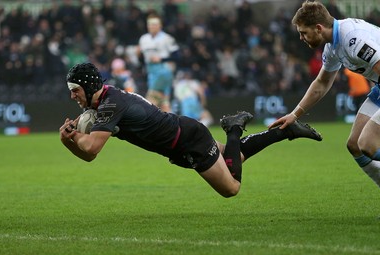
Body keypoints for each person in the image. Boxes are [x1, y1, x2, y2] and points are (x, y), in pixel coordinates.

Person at [60, 63, 322, 198]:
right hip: (183, 136)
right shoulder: (106, 101)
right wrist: (69, 141)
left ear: (89, 85)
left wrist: (76, 137)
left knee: (231, 187)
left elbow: (92, 148)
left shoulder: (110, 105)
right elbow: (88, 155)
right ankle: (286, 131)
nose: (73, 96)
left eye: (75, 91)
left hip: (186, 141)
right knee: (236, 156)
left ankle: (233, 129)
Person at [269, 1, 380, 188]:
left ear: (318, 28)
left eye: (303, 32)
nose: (301, 38)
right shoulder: (332, 46)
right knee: (354, 145)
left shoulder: (353, 39)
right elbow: (322, 83)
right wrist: (294, 114)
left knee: (368, 144)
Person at [137, 14, 180, 113]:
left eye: (155, 24)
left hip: (163, 70)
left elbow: (177, 56)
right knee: (164, 102)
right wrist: (138, 55)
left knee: (151, 100)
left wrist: (161, 59)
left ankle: (148, 123)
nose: (152, 26)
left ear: (160, 26)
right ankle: (173, 125)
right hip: (151, 71)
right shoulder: (144, 39)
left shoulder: (167, 38)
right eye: (150, 24)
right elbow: (142, 59)